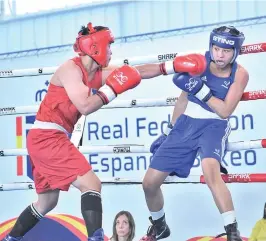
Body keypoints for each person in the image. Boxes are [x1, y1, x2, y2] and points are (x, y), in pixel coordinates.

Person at [1, 22, 207, 241]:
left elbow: (135, 72)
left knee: (47, 202)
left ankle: (11, 238)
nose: (110, 50)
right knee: (91, 184)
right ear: (95, 47)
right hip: (48, 137)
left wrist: (172, 66)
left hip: (47, 138)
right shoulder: (70, 70)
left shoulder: (94, 73)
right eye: (108, 45)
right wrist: (112, 89)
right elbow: (86, 106)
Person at [141, 25, 249, 241]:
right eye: (216, 49)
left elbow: (226, 110)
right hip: (186, 123)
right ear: (211, 46)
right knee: (149, 182)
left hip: (214, 125)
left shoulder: (241, 74)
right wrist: (170, 129)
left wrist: (202, 91)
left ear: (235, 52)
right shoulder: (198, 64)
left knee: (211, 173)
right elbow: (183, 98)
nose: (220, 54)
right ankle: (159, 224)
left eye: (226, 51)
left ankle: (232, 232)